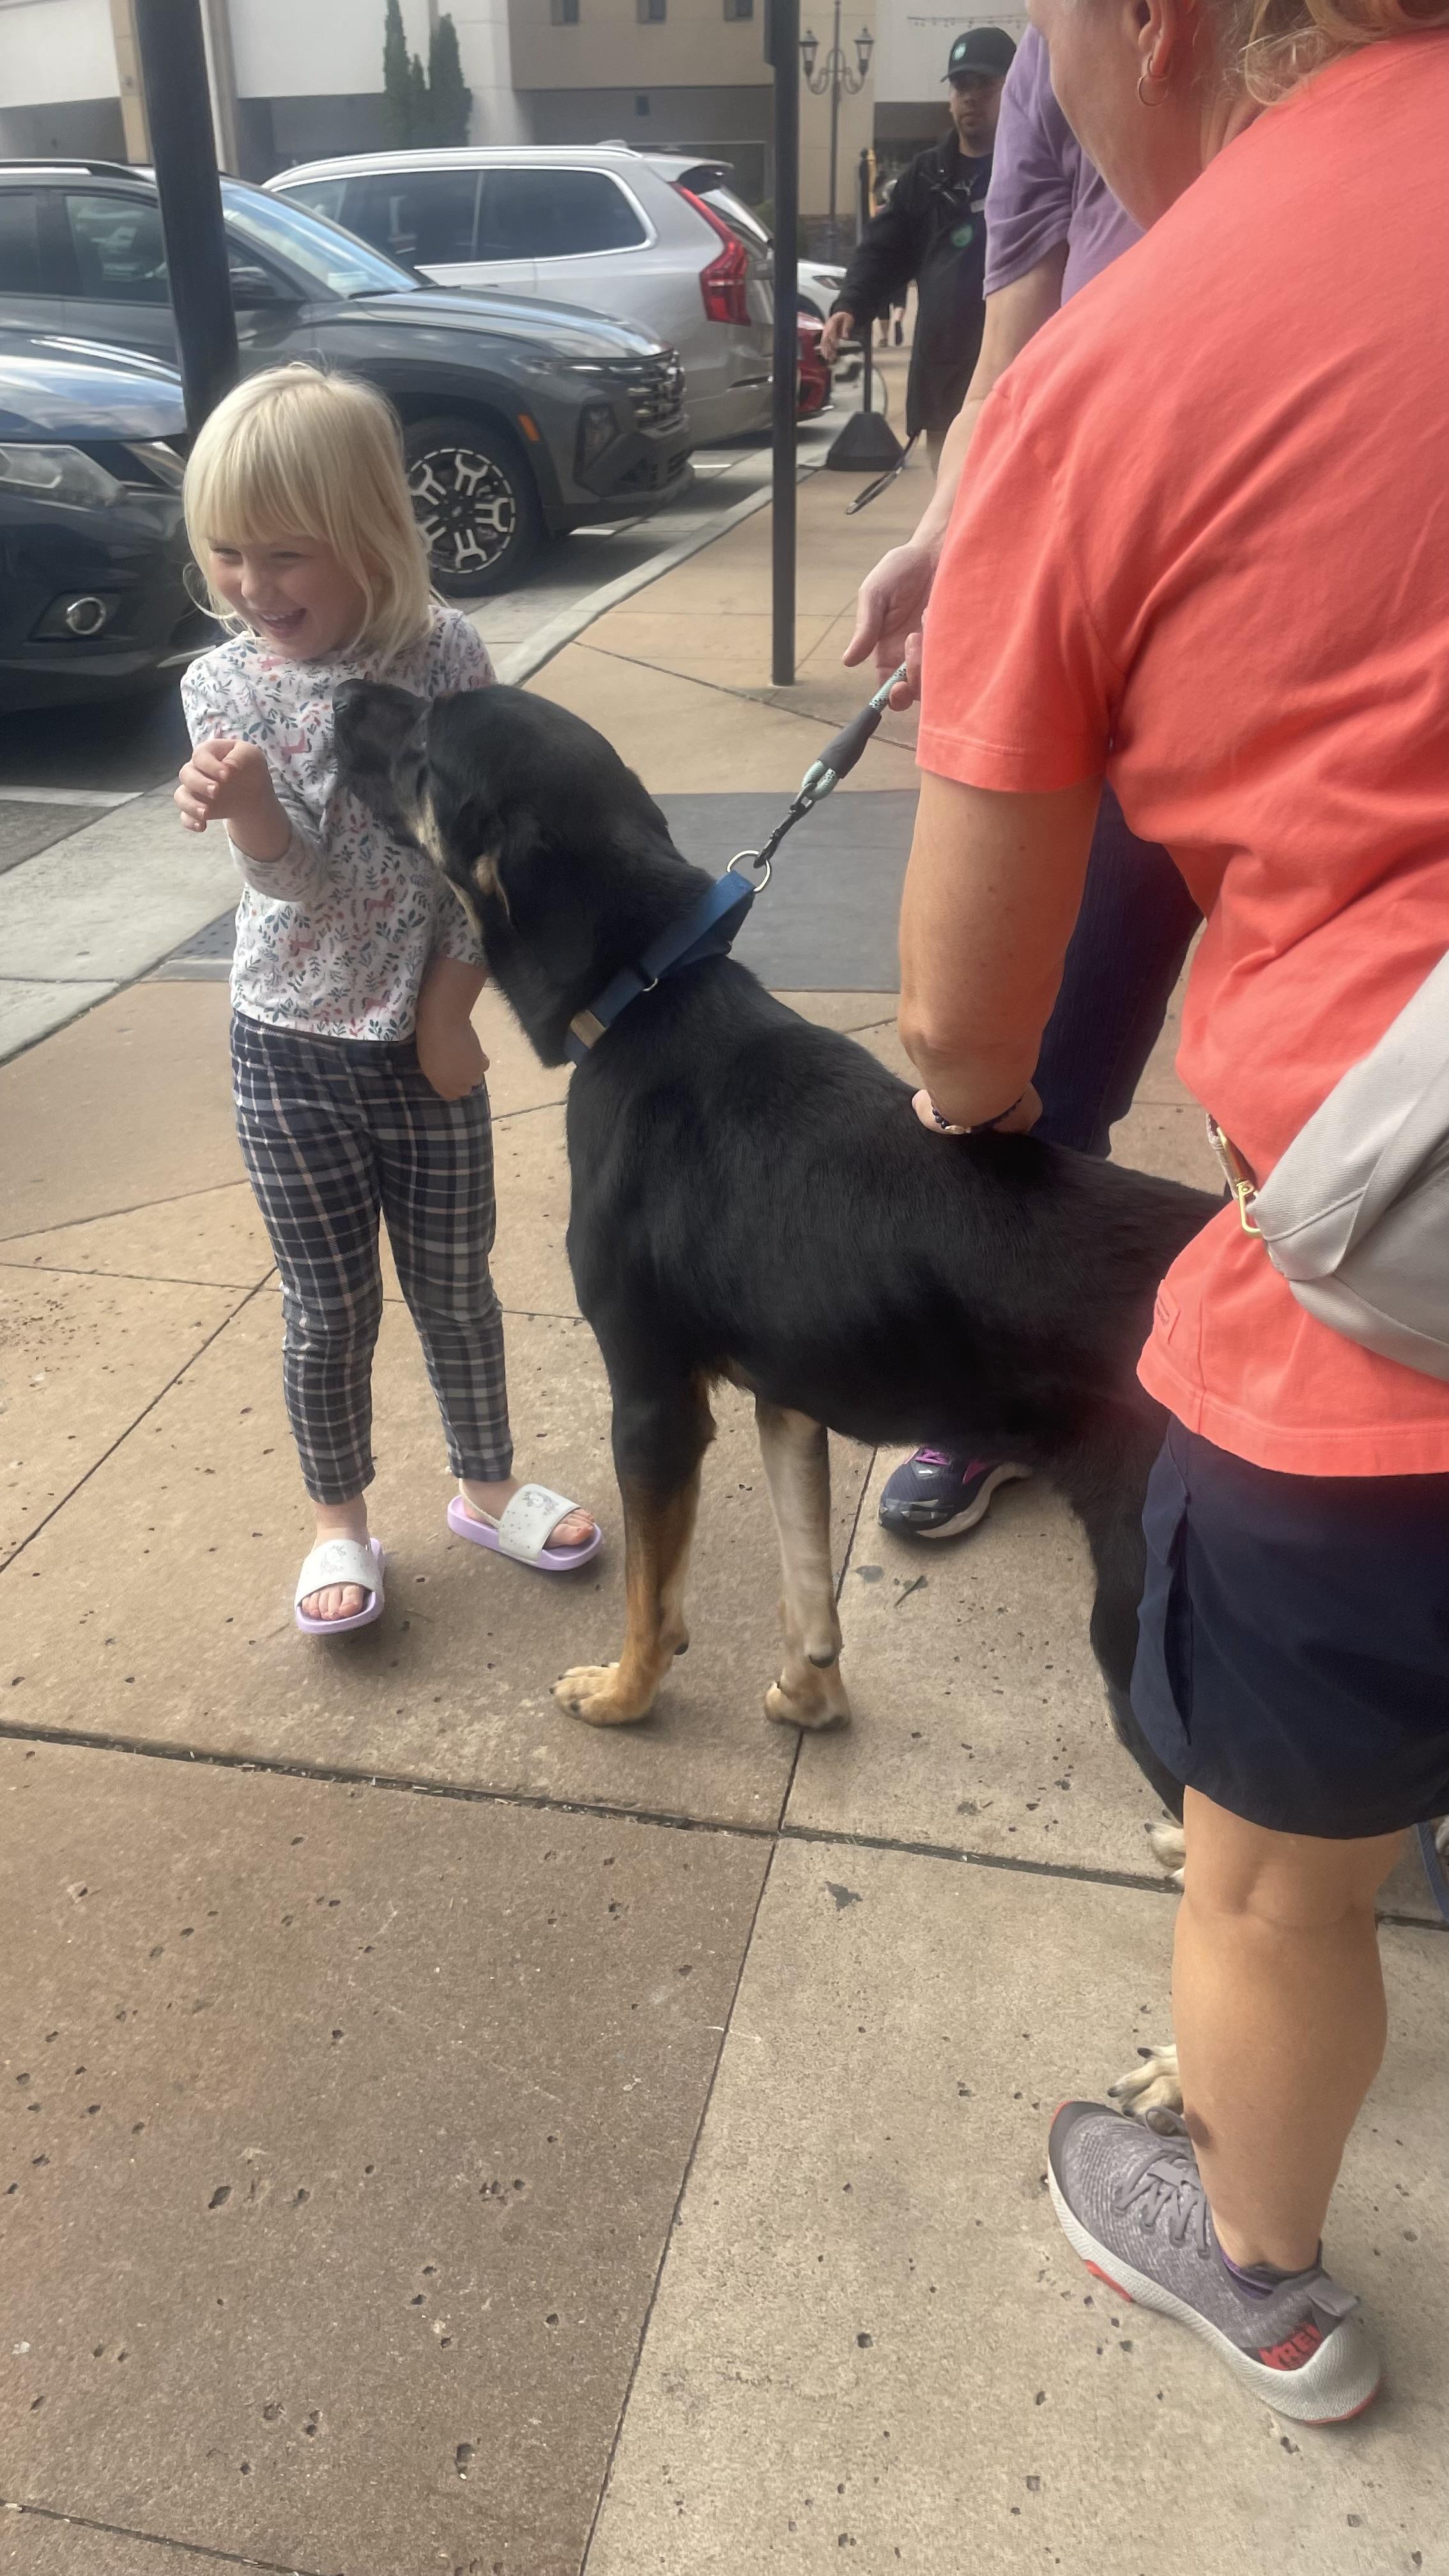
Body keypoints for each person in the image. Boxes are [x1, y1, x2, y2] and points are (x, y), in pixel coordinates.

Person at [901, 0, 1449, 2422]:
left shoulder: (1121, 367)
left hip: (1385, 1334)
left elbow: (965, 1021)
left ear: (1151, 19)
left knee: (1272, 1883)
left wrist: (990, 1093)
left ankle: (1266, 2278)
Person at [175, 365, 601, 1634]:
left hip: (424, 1041)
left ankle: (484, 1484)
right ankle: (338, 1522)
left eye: (286, 553)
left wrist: (449, 1010)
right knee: (328, 1306)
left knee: (457, 1284)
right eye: (228, 552)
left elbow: (480, 856)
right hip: (286, 1046)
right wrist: (251, 811)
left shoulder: (444, 655)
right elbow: (297, 886)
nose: (253, 585)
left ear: (369, 534)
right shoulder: (219, 688)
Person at [850, 22, 1201, 1548]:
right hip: (1102, 602)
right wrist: (944, 544)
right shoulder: (1060, 66)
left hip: (1282, 579)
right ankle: (1009, 1394)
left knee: (1335, 1078)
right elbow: (1011, 352)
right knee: (1034, 1076)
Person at [819, 27, 1016, 468]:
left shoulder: (1035, 168)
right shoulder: (925, 176)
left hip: (1020, 379)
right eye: (961, 86)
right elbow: (883, 250)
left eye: (985, 85)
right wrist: (851, 304)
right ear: (950, 98)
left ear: (1016, 87)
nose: (971, 97)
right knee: (950, 505)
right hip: (945, 381)